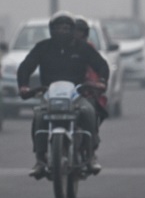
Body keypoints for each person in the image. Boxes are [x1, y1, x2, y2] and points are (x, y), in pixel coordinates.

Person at [18, 11, 110, 178]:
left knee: (88, 111)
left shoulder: (82, 48)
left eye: (66, 27)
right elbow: (25, 67)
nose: (62, 31)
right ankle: (40, 159)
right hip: (49, 95)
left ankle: (90, 156)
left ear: (72, 30)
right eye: (59, 27)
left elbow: (101, 65)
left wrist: (102, 81)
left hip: (76, 94)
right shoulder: (42, 47)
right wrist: (23, 85)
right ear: (52, 29)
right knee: (39, 116)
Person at [73, 15, 110, 125]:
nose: (77, 35)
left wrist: (97, 83)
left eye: (80, 32)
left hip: (84, 90)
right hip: (64, 91)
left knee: (91, 111)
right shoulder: (59, 49)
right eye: (74, 31)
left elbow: (99, 67)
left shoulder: (88, 49)